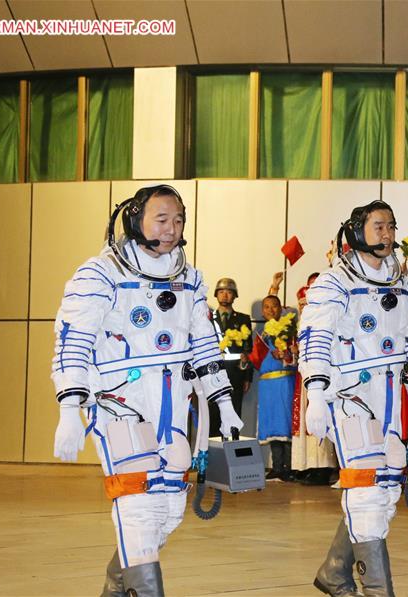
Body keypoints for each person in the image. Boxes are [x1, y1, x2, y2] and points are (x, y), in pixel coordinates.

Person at [51, 185, 243, 596]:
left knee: (168, 508)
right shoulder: (100, 274)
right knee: (138, 506)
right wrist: (70, 407)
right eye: (161, 219)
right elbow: (73, 341)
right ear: (135, 220)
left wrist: (222, 401)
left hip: (172, 404)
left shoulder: (189, 279)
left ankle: (116, 588)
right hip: (119, 403)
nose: (172, 229)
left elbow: (205, 343)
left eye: (178, 220)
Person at [299, 200, 408, 596]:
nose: (386, 234)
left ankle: (334, 571)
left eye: (391, 227)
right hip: (350, 395)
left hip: (393, 398)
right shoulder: (333, 283)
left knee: (385, 492)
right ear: (356, 231)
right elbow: (316, 338)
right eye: (378, 226)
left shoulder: (402, 284)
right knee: (365, 491)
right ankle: (379, 590)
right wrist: (315, 392)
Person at [290, 284, 338, 485]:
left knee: (322, 418)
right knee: (303, 421)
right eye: (301, 305)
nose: (304, 308)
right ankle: (306, 466)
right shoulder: (297, 326)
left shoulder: (324, 323)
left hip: (322, 377)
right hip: (303, 379)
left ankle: (324, 467)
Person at [249, 294, 297, 481]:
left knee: (286, 423)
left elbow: (296, 358)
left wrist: (285, 355)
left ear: (281, 308)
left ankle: (290, 467)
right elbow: (256, 359)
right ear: (262, 311)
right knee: (272, 424)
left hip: (284, 382)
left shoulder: (289, 330)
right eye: (267, 307)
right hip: (267, 384)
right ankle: (277, 467)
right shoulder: (261, 333)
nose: (271, 310)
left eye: (274, 306)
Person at [211, 277, 253, 438]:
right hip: (212, 373)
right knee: (213, 414)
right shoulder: (207, 318)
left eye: (229, 292)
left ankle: (232, 453)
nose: (225, 295)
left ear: (235, 295)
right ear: (216, 295)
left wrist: (247, 377)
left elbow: (248, 350)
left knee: (234, 413)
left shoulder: (243, 319)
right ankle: (212, 456)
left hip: (236, 373)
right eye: (221, 292)